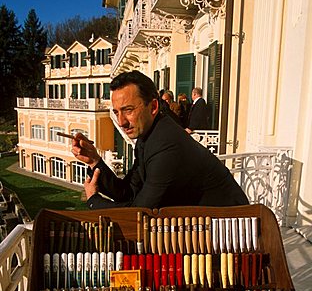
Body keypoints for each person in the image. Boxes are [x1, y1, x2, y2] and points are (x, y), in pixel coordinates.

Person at [71, 71, 249, 209]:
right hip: (204, 228)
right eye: (117, 112)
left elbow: (139, 214)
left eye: (128, 110)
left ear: (154, 106)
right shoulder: (148, 136)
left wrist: (94, 201)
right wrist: (95, 161)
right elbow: (128, 193)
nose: (121, 122)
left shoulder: (166, 144)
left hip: (233, 233)